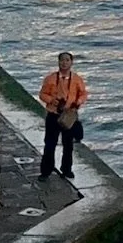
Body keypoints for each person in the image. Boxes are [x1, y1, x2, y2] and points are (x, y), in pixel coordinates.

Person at [39, 50, 89, 181]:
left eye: (67, 60)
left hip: (69, 115)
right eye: (62, 60)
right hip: (53, 115)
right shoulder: (50, 79)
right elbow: (42, 94)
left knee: (68, 145)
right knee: (50, 144)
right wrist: (52, 100)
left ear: (71, 62)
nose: (64, 63)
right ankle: (46, 171)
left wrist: (77, 102)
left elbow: (83, 94)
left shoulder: (77, 79)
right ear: (58, 62)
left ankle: (66, 169)